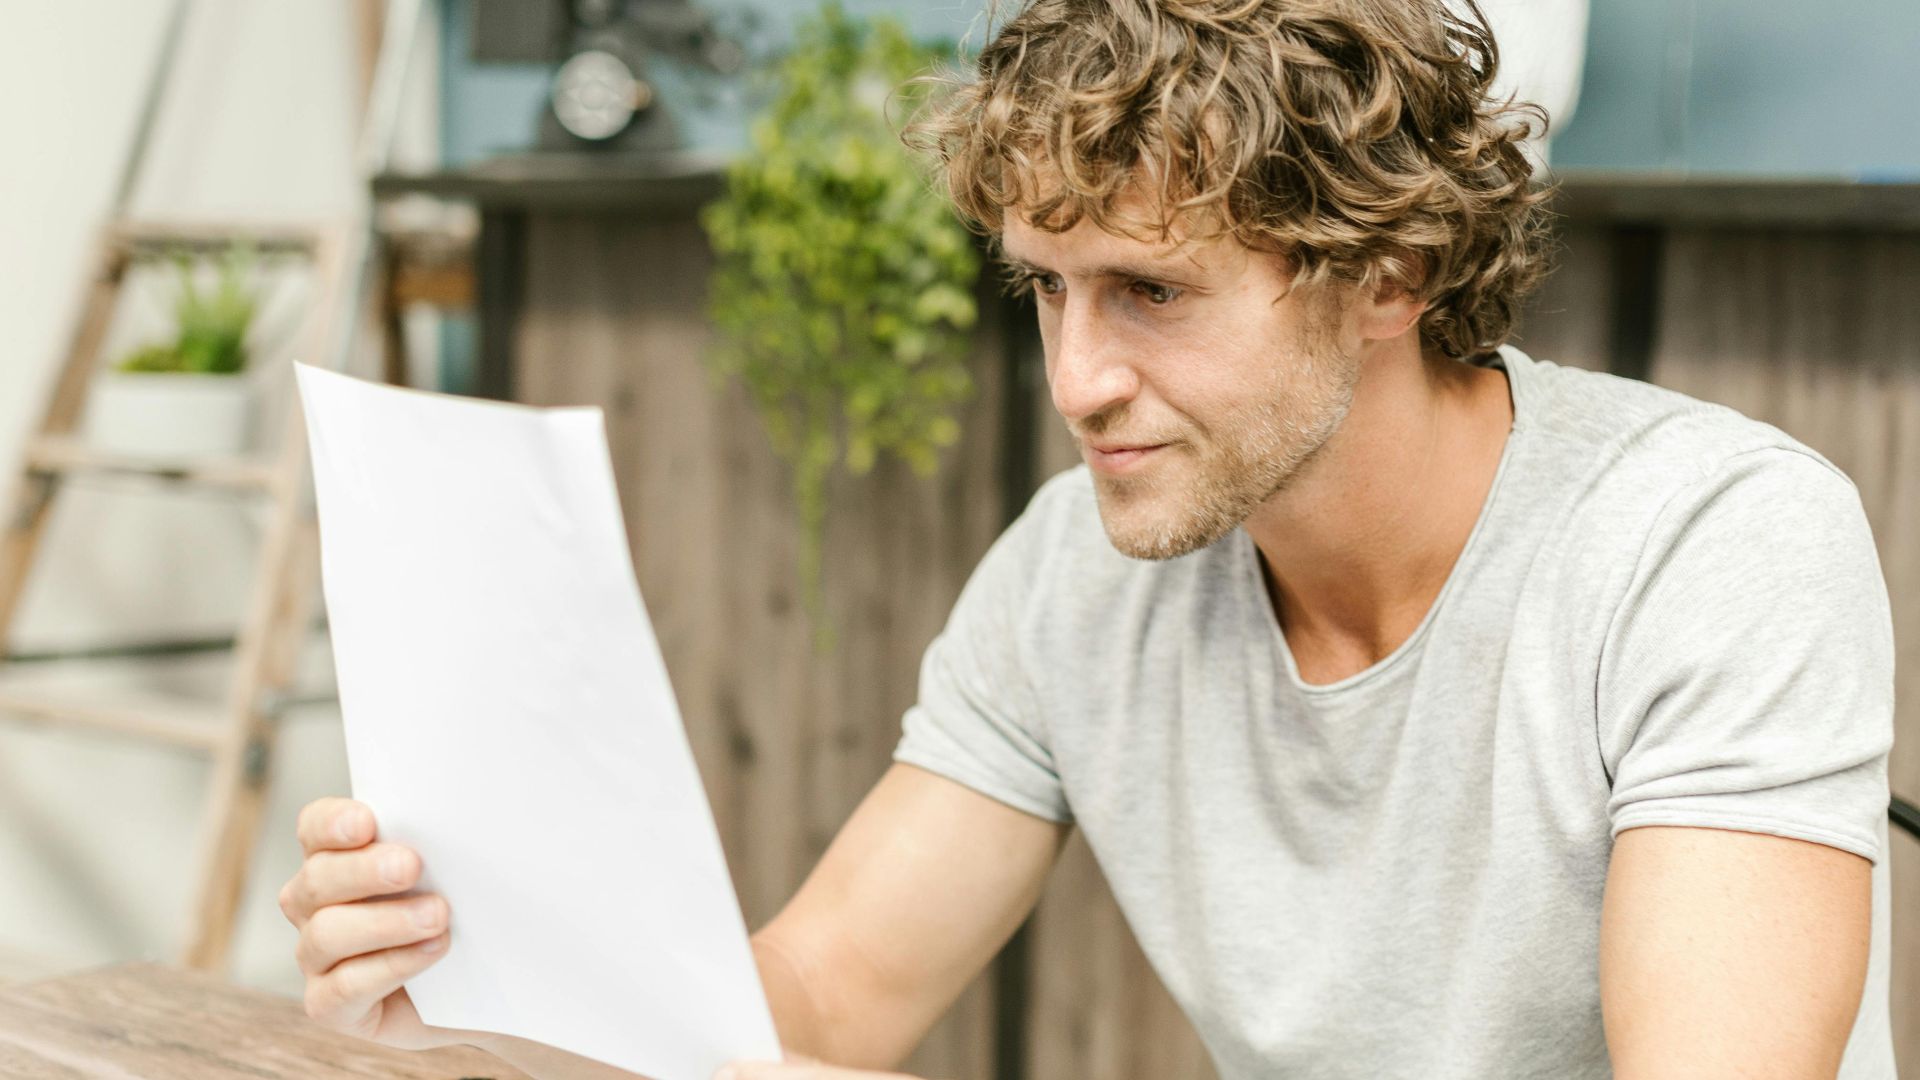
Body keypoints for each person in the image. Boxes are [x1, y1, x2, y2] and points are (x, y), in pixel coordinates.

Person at [277, 0, 1897, 1077]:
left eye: (1153, 292)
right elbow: (830, 998)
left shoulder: (1710, 543)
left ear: (1388, 280)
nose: (1078, 379)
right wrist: (488, 987)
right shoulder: (1079, 573)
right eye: (1046, 288)